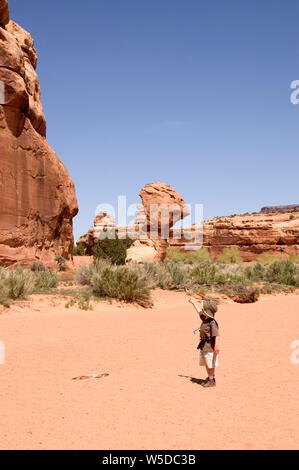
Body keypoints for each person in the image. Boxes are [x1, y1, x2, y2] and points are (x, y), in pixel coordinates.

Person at [188, 297, 220, 387]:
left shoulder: (212, 322)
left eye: (204, 309)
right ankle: (210, 377)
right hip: (203, 346)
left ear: (207, 311)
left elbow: (216, 335)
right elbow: (198, 311)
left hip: (210, 346)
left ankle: (212, 380)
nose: (202, 310)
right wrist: (193, 302)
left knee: (210, 363)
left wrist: (216, 346)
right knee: (207, 362)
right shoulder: (205, 318)